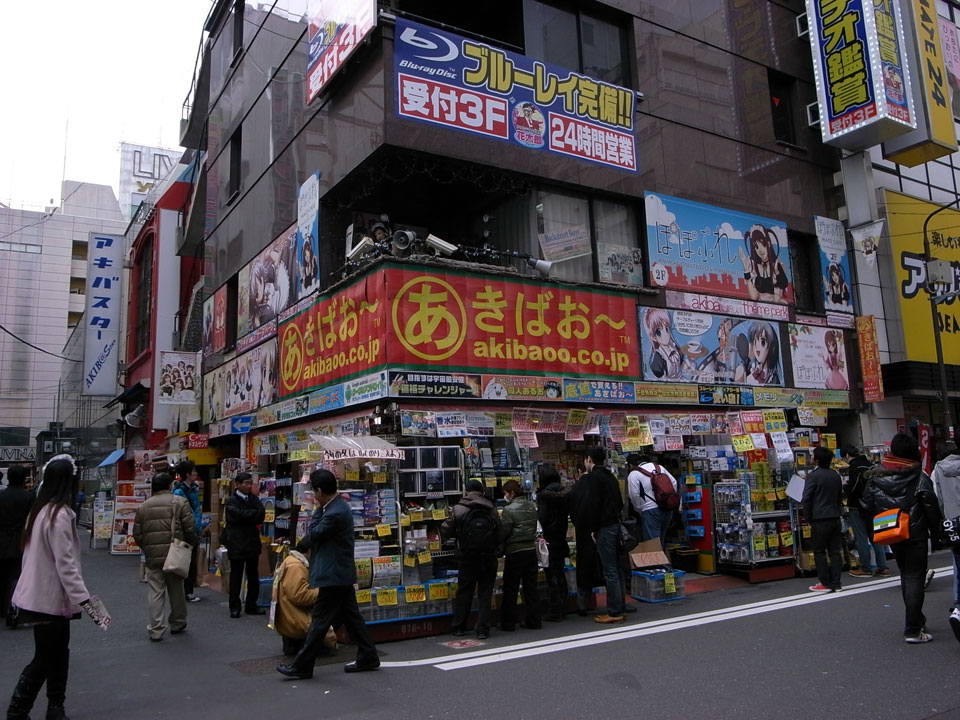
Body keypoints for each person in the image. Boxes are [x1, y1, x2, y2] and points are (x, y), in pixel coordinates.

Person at [6, 455, 103, 720]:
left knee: (56, 654)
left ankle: (53, 707)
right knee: (48, 657)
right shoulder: (58, 516)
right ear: (67, 482)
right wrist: (92, 607)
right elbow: (67, 567)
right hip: (50, 600)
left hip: (42, 597)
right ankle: (21, 709)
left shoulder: (40, 511)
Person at [276, 469, 379, 679]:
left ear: (320, 491)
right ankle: (368, 655)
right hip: (339, 573)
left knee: (320, 621)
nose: (314, 496)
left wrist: (316, 510)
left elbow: (313, 533)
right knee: (352, 617)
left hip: (334, 574)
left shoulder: (335, 512)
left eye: (314, 492)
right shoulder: (336, 507)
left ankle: (303, 665)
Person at [862, 433, 944, 643]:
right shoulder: (919, 477)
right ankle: (913, 630)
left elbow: (868, 505)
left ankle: (917, 620)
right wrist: (940, 535)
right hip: (915, 533)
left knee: (906, 574)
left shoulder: (876, 476)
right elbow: (931, 508)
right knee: (915, 577)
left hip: (892, 531)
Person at [132, 471, 198, 641]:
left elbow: (137, 534)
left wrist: (148, 548)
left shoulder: (144, 506)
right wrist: (190, 545)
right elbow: (190, 528)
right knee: (176, 589)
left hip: (153, 556)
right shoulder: (180, 502)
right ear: (169, 485)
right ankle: (177, 622)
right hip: (174, 552)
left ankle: (156, 628)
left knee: (156, 591)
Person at [568, 447, 627, 624]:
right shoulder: (610, 476)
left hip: (604, 527)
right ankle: (620, 606)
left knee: (610, 570)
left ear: (588, 459)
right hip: (615, 524)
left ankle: (615, 611)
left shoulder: (593, 478)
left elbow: (592, 504)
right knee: (616, 568)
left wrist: (592, 528)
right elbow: (619, 502)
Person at [440, 478, 502, 639]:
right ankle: (482, 629)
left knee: (465, 591)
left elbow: (445, 530)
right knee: (485, 593)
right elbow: (500, 531)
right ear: (482, 491)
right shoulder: (491, 508)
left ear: (466, 491)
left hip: (467, 556)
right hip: (488, 556)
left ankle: (459, 626)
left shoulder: (459, 509)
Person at [272, 545, 337, 657]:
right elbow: (300, 596)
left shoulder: (291, 561)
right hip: (294, 618)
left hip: (288, 615)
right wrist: (321, 591)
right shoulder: (296, 566)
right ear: (310, 550)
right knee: (324, 630)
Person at [841, 444, 889, 578]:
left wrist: (845, 488)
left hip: (858, 506)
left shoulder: (855, 466)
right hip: (873, 505)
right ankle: (883, 567)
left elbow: (854, 486)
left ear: (846, 455)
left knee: (861, 537)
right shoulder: (870, 464)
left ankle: (866, 568)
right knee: (875, 536)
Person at [498, 479, 540, 632]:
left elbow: (504, 531)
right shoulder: (531, 506)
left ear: (512, 493)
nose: (505, 496)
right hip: (530, 550)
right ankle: (534, 620)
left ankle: (508, 623)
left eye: (506, 493)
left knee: (511, 588)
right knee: (531, 588)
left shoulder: (508, 510)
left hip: (514, 551)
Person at [224, 472, 266, 618]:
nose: (249, 486)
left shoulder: (254, 499)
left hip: (252, 542)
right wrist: (250, 515)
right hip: (236, 543)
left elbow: (261, 515)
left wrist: (247, 515)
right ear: (237, 484)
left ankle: (251, 605)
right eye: (246, 483)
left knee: (253, 575)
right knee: (236, 575)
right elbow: (236, 516)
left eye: (250, 483)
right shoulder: (231, 501)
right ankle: (234, 607)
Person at [803, 447, 843, 593]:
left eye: (813, 456)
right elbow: (839, 495)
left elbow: (806, 499)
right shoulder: (835, 475)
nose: (811, 457)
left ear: (817, 460)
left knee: (819, 551)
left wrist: (808, 517)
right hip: (835, 516)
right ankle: (836, 582)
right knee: (835, 551)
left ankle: (825, 582)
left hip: (820, 518)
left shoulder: (813, 476)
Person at [930, 443, 960, 642]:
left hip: (954, 523)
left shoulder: (938, 471)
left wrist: (942, 522)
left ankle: (958, 604)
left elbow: (936, 498)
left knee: (958, 563)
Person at [0, 465, 35, 626]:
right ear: (24, 478)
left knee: (2, 575)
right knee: (16, 576)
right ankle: (12, 608)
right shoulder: (29, 497)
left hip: (2, 539)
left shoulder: (1, 495)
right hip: (20, 540)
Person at [537, 465, 569, 621]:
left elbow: (542, 517)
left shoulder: (544, 496)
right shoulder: (564, 494)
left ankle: (555, 610)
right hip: (561, 537)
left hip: (549, 538)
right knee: (560, 572)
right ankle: (564, 606)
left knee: (551, 574)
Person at [629, 453, 680, 546]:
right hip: (667, 509)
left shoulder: (634, 474)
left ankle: (659, 560)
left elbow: (634, 495)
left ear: (630, 465)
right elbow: (674, 482)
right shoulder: (659, 467)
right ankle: (664, 559)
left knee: (653, 545)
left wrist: (639, 509)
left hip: (649, 510)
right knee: (661, 541)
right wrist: (668, 500)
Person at [173, 460, 203, 603]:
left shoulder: (193, 489)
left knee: (191, 562)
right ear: (187, 474)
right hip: (185, 532)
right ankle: (185, 591)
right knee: (185, 562)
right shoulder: (180, 491)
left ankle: (188, 590)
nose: (196, 474)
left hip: (194, 529)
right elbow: (184, 513)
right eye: (193, 471)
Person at [737, 224, 790, 303]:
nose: (760, 251)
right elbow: (754, 297)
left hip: (776, 308)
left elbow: (778, 295)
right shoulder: (754, 267)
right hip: (762, 309)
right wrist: (746, 271)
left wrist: (778, 273)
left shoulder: (776, 265)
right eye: (756, 247)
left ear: (768, 244)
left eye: (762, 244)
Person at [734, 321, 781, 385]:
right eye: (754, 341)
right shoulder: (746, 368)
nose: (757, 348)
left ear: (772, 346)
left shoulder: (774, 378)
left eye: (763, 342)